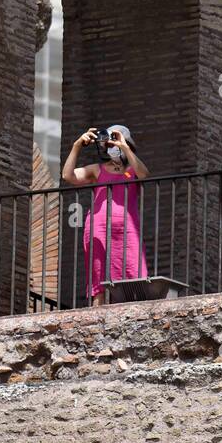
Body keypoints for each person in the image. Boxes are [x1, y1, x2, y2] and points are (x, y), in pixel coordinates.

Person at [62, 124, 150, 307]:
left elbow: (144, 174)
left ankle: (135, 312)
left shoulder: (133, 169)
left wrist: (124, 146)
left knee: (134, 270)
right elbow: (67, 176)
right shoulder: (97, 169)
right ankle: (98, 315)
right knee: (99, 276)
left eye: (115, 143)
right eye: (109, 144)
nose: (112, 147)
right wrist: (76, 146)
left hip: (128, 228)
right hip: (98, 227)